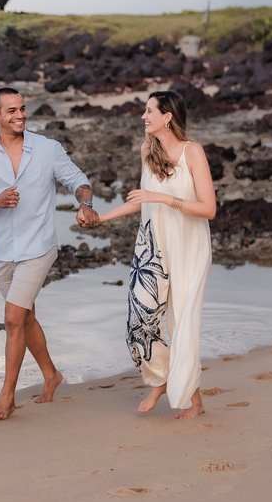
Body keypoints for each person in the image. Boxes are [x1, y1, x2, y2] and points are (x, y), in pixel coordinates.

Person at [0, 87, 98, 420]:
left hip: (39, 248)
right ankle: (51, 375)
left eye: (22, 108)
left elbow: (79, 181)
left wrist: (85, 203)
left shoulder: (47, 148)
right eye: (11, 111)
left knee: (12, 319)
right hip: (3, 250)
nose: (20, 115)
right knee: (25, 317)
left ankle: (6, 398)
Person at [92, 90, 216, 418]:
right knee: (138, 323)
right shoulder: (147, 149)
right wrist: (101, 218)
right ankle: (161, 379)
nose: (143, 116)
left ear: (167, 117)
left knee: (181, 325)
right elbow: (141, 200)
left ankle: (194, 402)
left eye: (149, 111)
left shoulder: (193, 152)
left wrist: (162, 198)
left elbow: (209, 209)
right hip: (151, 249)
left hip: (188, 248)